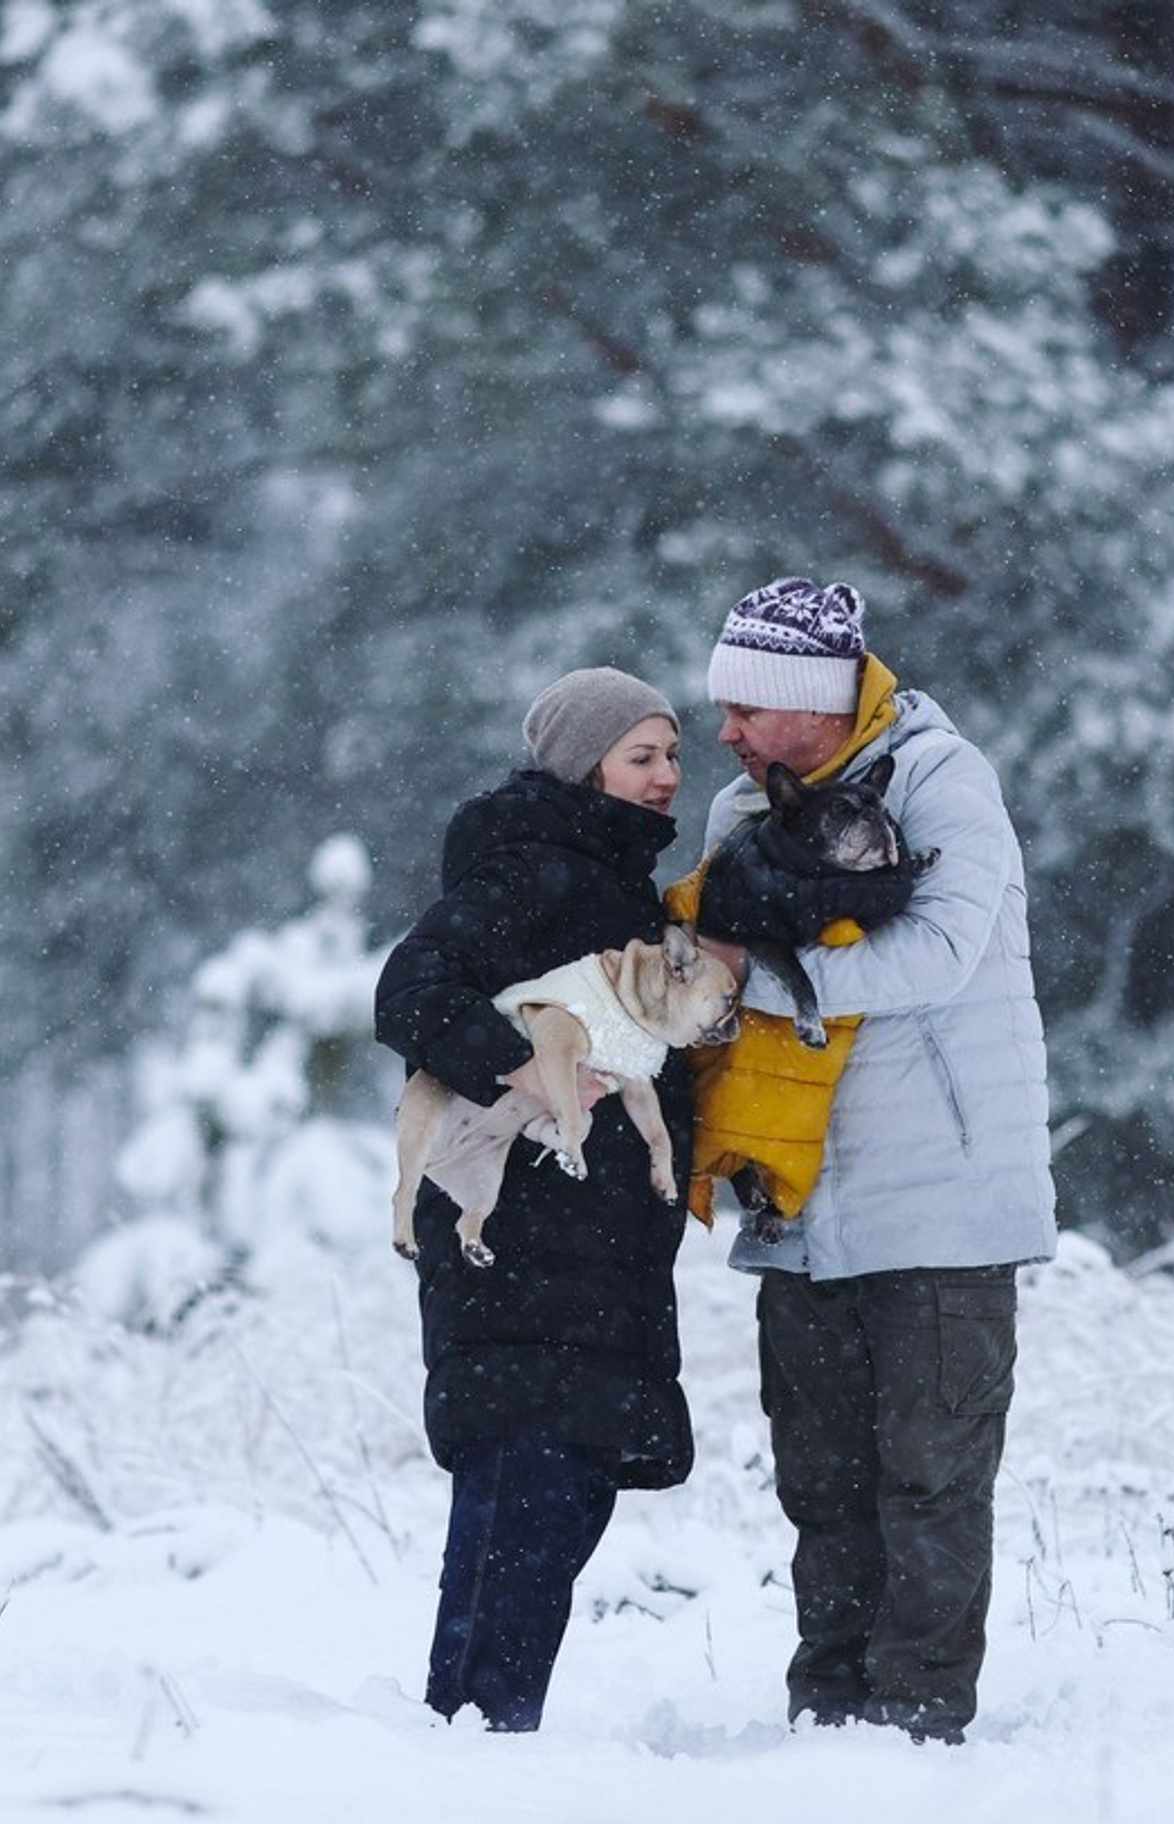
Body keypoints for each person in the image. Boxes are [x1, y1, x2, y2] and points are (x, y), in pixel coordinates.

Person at [695, 575, 1057, 1744]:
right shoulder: (736, 817)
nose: (726, 733)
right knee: (821, 1482)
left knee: (931, 1477)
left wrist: (752, 981)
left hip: (944, 1200)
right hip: (796, 1201)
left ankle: (913, 1724)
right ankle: (826, 1715)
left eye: (745, 710)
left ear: (810, 703)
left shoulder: (946, 781)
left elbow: (940, 952)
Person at [374, 667, 694, 1732]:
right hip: (517, 1250)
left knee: (556, 1511)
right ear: (582, 764)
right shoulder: (529, 875)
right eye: (640, 755)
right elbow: (410, 988)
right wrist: (515, 1065)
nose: (665, 776)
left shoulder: (614, 890)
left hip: (595, 1259)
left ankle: (475, 1735)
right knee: (524, 1505)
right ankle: (467, 1741)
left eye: (671, 755)